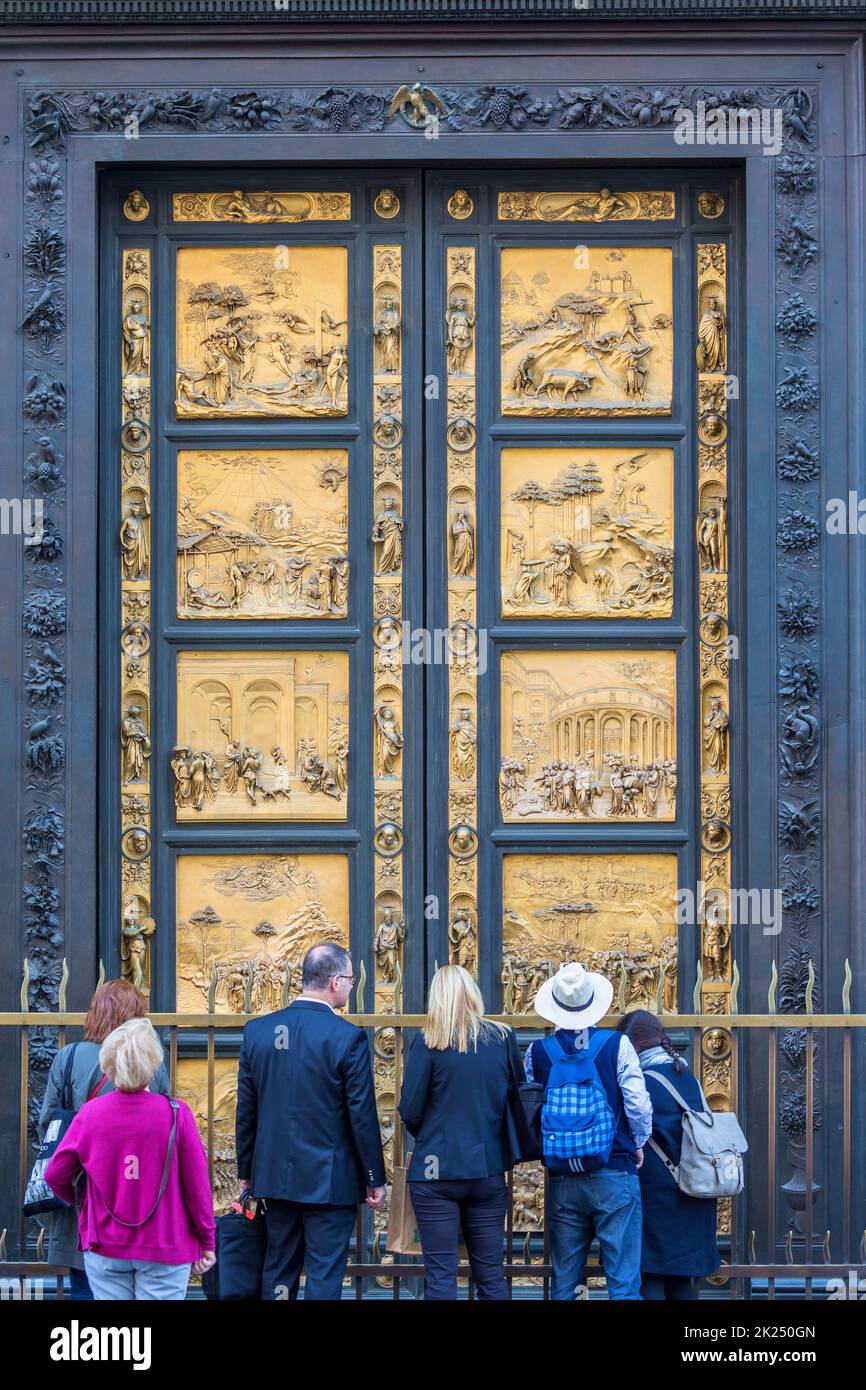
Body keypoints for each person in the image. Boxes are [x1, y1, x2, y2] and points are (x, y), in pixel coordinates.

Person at [235, 941, 386, 1300]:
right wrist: (373, 1178)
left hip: (273, 1178)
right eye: (350, 978)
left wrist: (246, 1172)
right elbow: (361, 1115)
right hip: (329, 1184)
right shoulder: (348, 1038)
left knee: (278, 1269)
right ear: (335, 982)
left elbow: (247, 1111)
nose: (351, 986)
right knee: (324, 1274)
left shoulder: (257, 1032)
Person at [45, 1018, 214, 1300]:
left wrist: (83, 1203)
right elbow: (198, 1188)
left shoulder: (91, 1113)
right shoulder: (177, 1113)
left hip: (106, 1241)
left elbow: (55, 1175)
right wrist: (207, 1241)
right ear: (153, 1064)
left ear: (109, 1065)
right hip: (166, 1243)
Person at [525, 962, 652, 1301]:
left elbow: (530, 1111)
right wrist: (637, 1142)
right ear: (594, 1002)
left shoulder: (537, 1052)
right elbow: (638, 1104)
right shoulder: (617, 1044)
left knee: (565, 1285)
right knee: (624, 1284)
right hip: (614, 1170)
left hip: (563, 1178)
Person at [36, 979, 170, 1299]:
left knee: (84, 1280)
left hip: (81, 1191)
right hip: (137, 1193)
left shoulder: (68, 1057)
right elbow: (165, 1126)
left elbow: (46, 1126)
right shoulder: (152, 1063)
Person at [397, 964, 524, 1301]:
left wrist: (430, 1134)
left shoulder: (427, 1041)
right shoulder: (502, 1038)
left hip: (436, 1173)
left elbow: (409, 1109)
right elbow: (516, 1097)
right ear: (473, 992)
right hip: (487, 1168)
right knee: (491, 1277)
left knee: (440, 1278)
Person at [617, 1010, 719, 1299]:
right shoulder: (687, 1075)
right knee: (682, 1281)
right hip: (693, 1187)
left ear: (632, 1046)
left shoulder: (641, 1083)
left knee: (650, 1275)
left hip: (656, 1192)